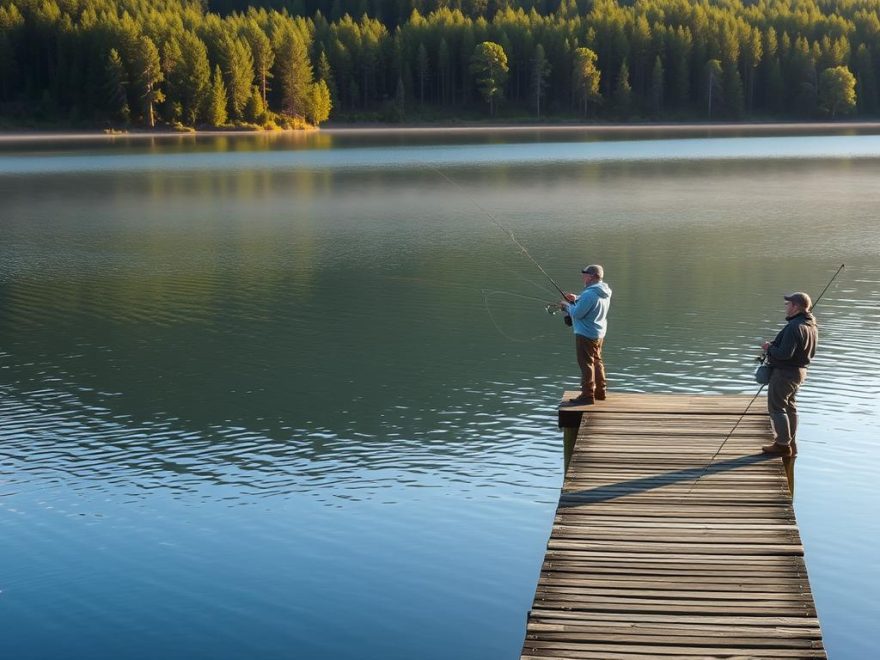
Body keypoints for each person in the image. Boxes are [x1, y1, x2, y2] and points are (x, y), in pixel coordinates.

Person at [760, 292, 818, 457]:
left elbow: (785, 354)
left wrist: (769, 348)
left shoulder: (794, 327)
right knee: (790, 407)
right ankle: (791, 442)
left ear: (796, 307)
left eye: (788, 304)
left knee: (777, 408)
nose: (786, 306)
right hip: (799, 373)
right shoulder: (811, 326)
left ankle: (782, 444)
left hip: (785, 374)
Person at [560, 265, 612, 405]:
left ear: (592, 276)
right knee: (597, 361)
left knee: (586, 364)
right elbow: (589, 303)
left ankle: (587, 395)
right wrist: (576, 298)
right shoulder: (604, 290)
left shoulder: (590, 294)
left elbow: (577, 313)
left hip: (585, 334)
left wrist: (566, 305)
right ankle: (600, 392)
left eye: (585, 274)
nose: (583, 276)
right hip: (598, 333)